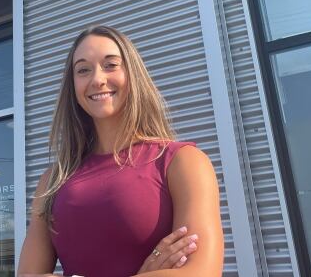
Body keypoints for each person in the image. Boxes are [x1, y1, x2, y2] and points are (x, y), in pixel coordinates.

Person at [18, 25, 223, 277]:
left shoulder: (183, 162)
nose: (97, 79)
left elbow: (202, 272)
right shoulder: (52, 182)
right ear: (72, 86)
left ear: (133, 73)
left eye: (111, 65)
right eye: (83, 70)